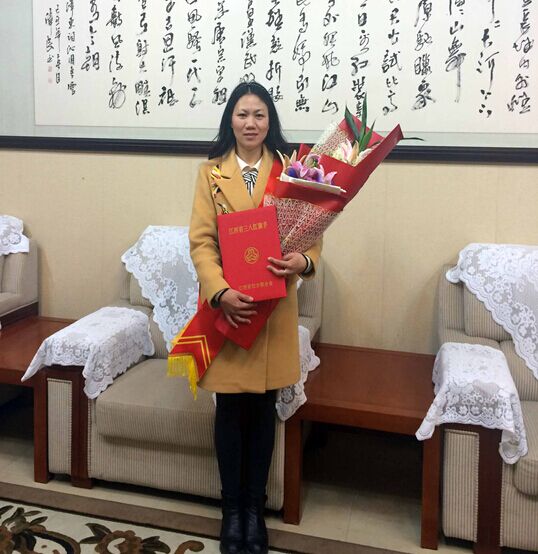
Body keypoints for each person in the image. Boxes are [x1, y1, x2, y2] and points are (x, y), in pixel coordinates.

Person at [188, 81, 322, 554]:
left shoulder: (292, 171)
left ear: (270, 121)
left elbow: (312, 234)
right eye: (242, 114)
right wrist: (220, 291)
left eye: (259, 115)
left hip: (274, 310)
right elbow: (201, 242)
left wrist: (302, 261)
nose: (250, 123)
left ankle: (254, 512)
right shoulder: (210, 173)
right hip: (231, 311)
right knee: (229, 412)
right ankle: (232, 512)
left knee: (263, 413)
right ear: (231, 119)